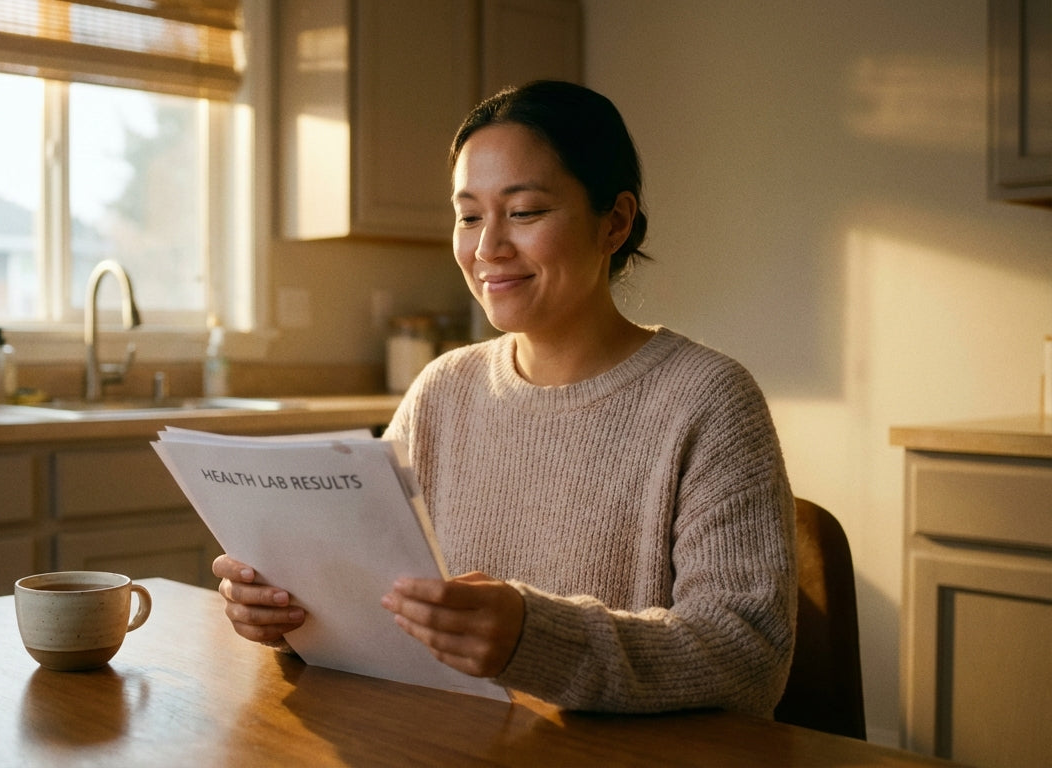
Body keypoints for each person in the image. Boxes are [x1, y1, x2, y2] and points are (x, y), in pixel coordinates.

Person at [212, 80, 796, 717]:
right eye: (469, 216)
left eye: (524, 212)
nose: (487, 247)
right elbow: (377, 602)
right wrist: (294, 613)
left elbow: (748, 656)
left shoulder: (710, 401)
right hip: (451, 741)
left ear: (615, 222)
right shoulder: (442, 390)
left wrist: (537, 639)